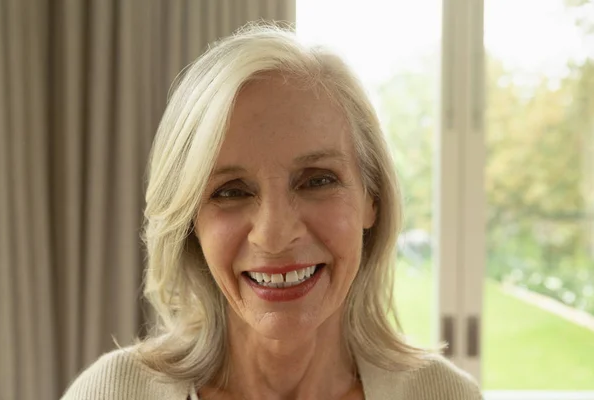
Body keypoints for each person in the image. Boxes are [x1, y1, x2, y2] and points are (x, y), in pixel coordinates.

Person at [62, 24, 482, 400]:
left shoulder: (444, 395)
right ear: (190, 220)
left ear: (372, 198)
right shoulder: (111, 393)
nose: (275, 234)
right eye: (230, 191)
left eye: (317, 180)